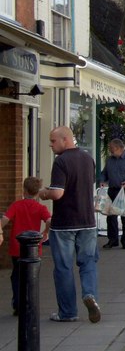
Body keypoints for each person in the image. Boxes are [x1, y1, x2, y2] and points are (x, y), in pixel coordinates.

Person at [39, 126, 101, 323]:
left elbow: (58, 193)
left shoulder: (61, 161)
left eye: (53, 141)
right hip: (88, 222)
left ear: (65, 140)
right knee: (88, 262)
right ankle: (89, 294)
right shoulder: (88, 159)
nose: (50, 145)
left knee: (64, 268)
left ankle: (68, 312)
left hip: (64, 223)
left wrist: (44, 193)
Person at [0, 177, 51, 316]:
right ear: (37, 193)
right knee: (32, 277)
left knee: (16, 276)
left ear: (24, 190)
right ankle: (30, 303)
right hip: (34, 248)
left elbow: (4, 220)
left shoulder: (16, 205)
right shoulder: (41, 207)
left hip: (17, 247)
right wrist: (45, 232)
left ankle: (18, 303)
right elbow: (49, 220)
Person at [99, 139, 125, 250]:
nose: (110, 151)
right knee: (111, 216)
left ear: (119, 148)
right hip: (113, 190)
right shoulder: (110, 160)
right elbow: (104, 173)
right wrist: (102, 180)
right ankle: (112, 240)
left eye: (111, 149)